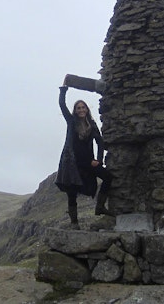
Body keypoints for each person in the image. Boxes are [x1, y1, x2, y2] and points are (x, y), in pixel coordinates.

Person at [55, 80, 114, 229]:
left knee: (108, 177)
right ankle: (74, 223)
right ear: (75, 111)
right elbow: (62, 105)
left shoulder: (92, 125)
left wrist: (98, 160)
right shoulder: (71, 122)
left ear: (87, 110)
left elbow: (100, 143)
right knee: (71, 191)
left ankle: (100, 207)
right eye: (78, 108)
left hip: (88, 162)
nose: (81, 110)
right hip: (72, 162)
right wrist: (63, 89)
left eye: (83, 107)